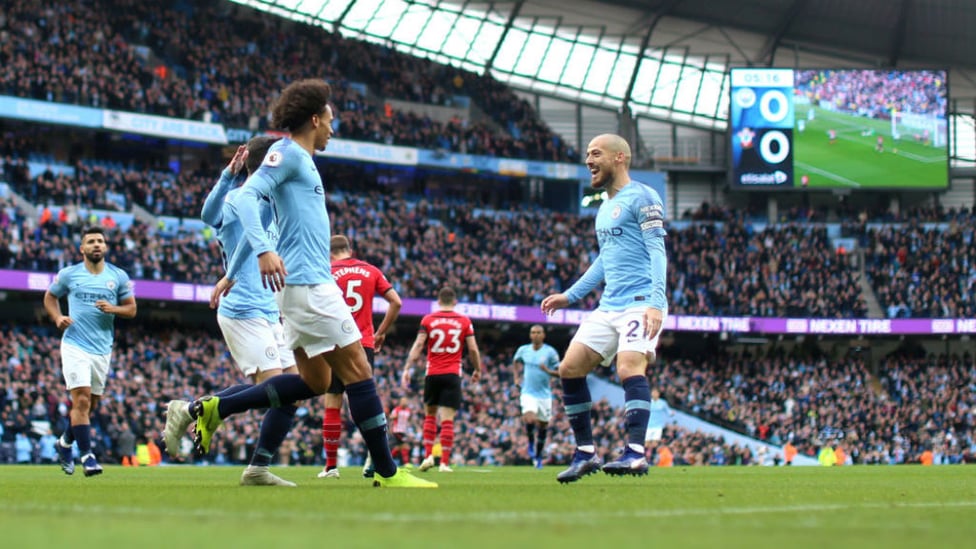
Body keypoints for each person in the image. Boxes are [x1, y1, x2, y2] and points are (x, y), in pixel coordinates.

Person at [183, 78, 434, 488]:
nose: (334, 128)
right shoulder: (288, 154)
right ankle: (389, 472)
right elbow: (246, 198)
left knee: (314, 383)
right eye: (331, 119)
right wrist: (264, 249)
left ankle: (216, 408)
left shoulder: (298, 158)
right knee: (359, 371)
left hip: (298, 290)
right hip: (310, 285)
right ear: (315, 119)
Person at [165, 136, 303, 487]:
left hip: (270, 310)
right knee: (275, 386)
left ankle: (258, 467)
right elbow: (209, 216)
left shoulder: (271, 203)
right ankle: (194, 409)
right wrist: (228, 175)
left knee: (296, 388)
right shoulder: (237, 198)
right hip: (242, 307)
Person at [540, 133, 667, 484]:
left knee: (629, 368)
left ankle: (636, 454)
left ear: (619, 158)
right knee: (569, 368)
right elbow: (604, 261)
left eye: (595, 154)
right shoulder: (603, 208)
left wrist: (656, 302)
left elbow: (657, 251)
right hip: (609, 304)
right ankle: (585, 453)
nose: (588, 161)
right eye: (587, 155)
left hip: (640, 302)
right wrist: (571, 295)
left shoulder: (643, 196)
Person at [44, 226, 137, 476]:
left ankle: (64, 442)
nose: (97, 244)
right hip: (75, 344)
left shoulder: (118, 276)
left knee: (89, 406)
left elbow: (131, 309)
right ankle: (87, 456)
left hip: (102, 349)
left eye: (100, 241)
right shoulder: (69, 274)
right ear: (82, 248)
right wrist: (57, 317)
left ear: (105, 247)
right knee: (82, 399)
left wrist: (113, 308)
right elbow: (50, 297)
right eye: (91, 241)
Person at [318, 234, 402, 480]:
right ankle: (375, 456)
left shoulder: (326, 271)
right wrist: (381, 333)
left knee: (332, 401)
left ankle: (331, 467)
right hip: (361, 343)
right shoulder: (370, 270)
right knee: (364, 401)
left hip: (333, 342)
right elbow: (396, 302)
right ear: (349, 249)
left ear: (329, 252)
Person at [401, 286, 483, 473]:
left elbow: (419, 344)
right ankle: (444, 463)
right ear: (455, 302)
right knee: (447, 420)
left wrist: (407, 368)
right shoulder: (464, 321)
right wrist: (477, 369)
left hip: (432, 373)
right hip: (453, 374)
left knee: (430, 416)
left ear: (438, 301)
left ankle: (428, 455)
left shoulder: (428, 319)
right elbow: (473, 349)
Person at [511, 324, 559, 469]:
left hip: (544, 395)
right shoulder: (523, 350)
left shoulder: (550, 352)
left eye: (539, 332)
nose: (536, 335)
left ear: (543, 335)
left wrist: (548, 371)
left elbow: (560, 372)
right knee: (529, 417)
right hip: (528, 392)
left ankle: (538, 455)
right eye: (533, 332)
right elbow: (515, 361)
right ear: (530, 335)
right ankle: (531, 442)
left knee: (543, 425)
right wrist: (516, 378)